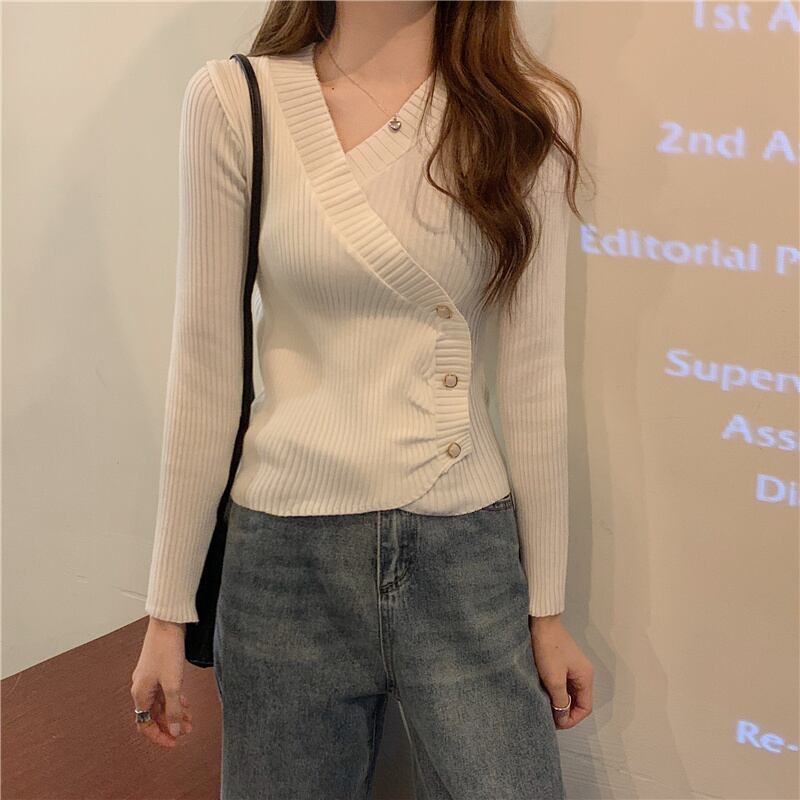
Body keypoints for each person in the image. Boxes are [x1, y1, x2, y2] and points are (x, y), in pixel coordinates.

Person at [131, 1, 595, 797]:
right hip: (282, 566)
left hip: (463, 553)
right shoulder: (236, 102)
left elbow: (533, 372)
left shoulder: (523, 114)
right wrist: (168, 611)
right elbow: (205, 366)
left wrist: (546, 611)